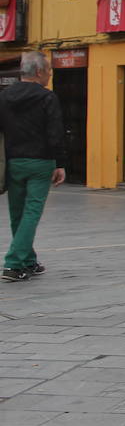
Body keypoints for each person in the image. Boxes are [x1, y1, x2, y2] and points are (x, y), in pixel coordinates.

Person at [0, 52, 66, 283]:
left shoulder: (5, 96)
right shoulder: (47, 97)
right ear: (39, 72)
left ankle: (28, 260)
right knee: (31, 213)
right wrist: (60, 164)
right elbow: (55, 133)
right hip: (40, 162)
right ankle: (13, 264)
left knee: (17, 213)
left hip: (14, 161)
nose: (49, 75)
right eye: (48, 71)